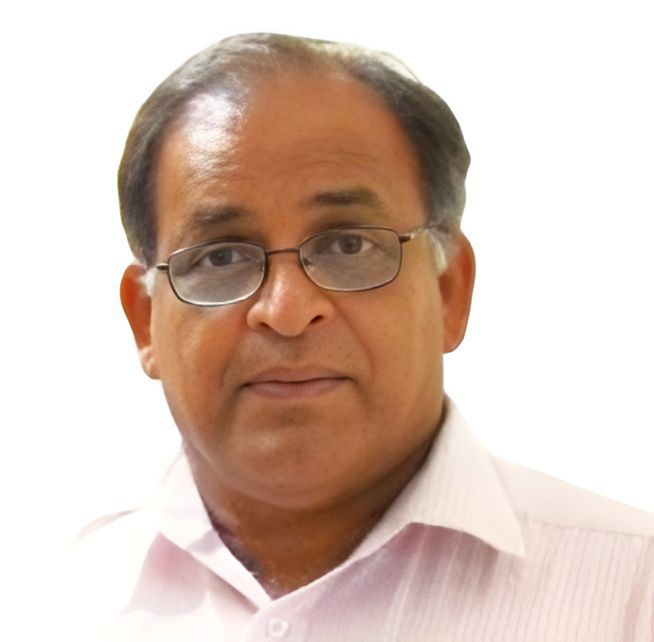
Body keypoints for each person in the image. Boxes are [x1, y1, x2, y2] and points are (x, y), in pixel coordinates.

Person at [62, 33, 652, 641]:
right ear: (145, 321)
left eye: (348, 245)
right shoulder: (60, 602)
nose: (286, 311)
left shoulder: (633, 592)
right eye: (221, 257)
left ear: (449, 292)